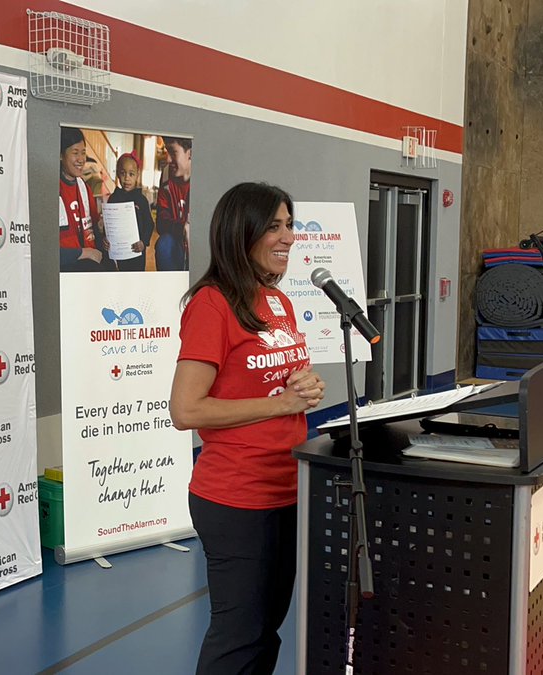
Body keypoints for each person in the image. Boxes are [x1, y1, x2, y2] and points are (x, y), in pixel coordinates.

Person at [169, 182, 325, 674]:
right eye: (274, 226)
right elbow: (186, 410)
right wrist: (281, 404)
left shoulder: (278, 301)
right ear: (242, 232)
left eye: (289, 225)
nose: (288, 237)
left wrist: (304, 384)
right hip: (237, 497)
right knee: (238, 636)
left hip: (288, 488)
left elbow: (277, 381)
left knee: (265, 630)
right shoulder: (212, 304)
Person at [58, 127, 106, 272]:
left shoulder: (84, 188)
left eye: (83, 153)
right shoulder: (51, 189)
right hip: (69, 261)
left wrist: (103, 229)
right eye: (75, 153)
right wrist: (84, 253)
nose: (81, 159)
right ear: (61, 155)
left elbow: (94, 228)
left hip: (90, 254)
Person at [105, 152, 154, 271]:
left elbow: (149, 224)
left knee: (136, 276)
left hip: (137, 250)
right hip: (117, 251)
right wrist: (105, 238)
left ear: (137, 175)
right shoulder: (113, 199)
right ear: (117, 174)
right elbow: (109, 225)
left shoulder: (141, 200)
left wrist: (143, 242)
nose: (127, 178)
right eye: (123, 173)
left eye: (131, 174)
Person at [155, 136, 191, 271]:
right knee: (164, 244)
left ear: (190, 153)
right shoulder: (166, 175)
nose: (168, 159)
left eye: (173, 152)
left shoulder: (206, 178)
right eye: (167, 151)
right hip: (177, 243)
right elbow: (161, 223)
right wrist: (182, 228)